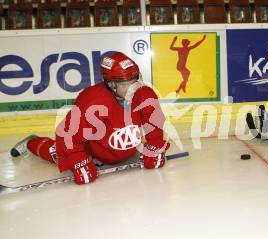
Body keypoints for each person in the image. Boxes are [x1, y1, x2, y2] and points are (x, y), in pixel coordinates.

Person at [10, 52, 169, 184]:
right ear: (111, 84)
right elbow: (69, 134)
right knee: (56, 152)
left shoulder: (145, 93)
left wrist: (155, 145)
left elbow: (153, 121)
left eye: (134, 81)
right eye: (125, 84)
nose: (132, 88)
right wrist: (78, 159)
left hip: (125, 151)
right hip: (93, 152)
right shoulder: (92, 100)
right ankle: (32, 142)